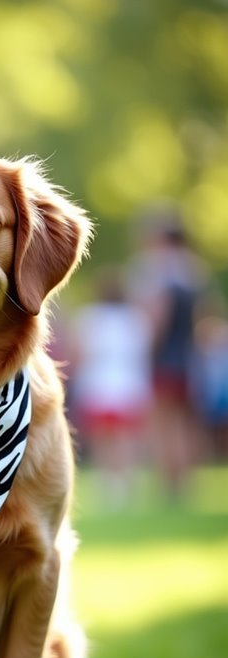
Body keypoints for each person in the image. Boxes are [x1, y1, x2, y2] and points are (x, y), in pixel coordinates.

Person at [127, 207, 207, 498]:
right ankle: (184, 483)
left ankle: (168, 485)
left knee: (162, 422)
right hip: (187, 357)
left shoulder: (156, 269)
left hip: (162, 359)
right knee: (185, 422)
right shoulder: (194, 270)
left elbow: (157, 316)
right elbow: (204, 318)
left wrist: (145, 352)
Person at [69, 267, 153, 506]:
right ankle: (126, 483)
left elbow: (78, 353)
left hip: (98, 385)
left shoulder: (89, 317)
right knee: (125, 438)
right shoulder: (135, 318)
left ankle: (107, 484)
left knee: (101, 437)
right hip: (129, 385)